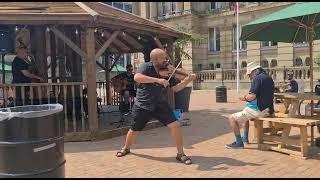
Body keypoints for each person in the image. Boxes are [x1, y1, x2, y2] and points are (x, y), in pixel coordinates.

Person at [115, 48, 196, 165]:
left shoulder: (168, 71)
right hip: (143, 105)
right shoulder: (146, 67)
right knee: (134, 130)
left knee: (176, 125)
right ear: (155, 59)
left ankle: (180, 154)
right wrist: (158, 80)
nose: (166, 60)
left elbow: (175, 88)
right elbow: (137, 77)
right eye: (163, 57)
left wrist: (187, 80)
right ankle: (126, 148)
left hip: (160, 105)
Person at [225, 62, 274, 149]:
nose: (249, 77)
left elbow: (252, 97)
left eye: (249, 74)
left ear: (254, 71)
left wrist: (244, 97)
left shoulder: (257, 79)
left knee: (231, 118)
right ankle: (245, 138)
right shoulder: (268, 78)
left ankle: (239, 143)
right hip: (268, 109)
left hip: (259, 110)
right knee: (245, 115)